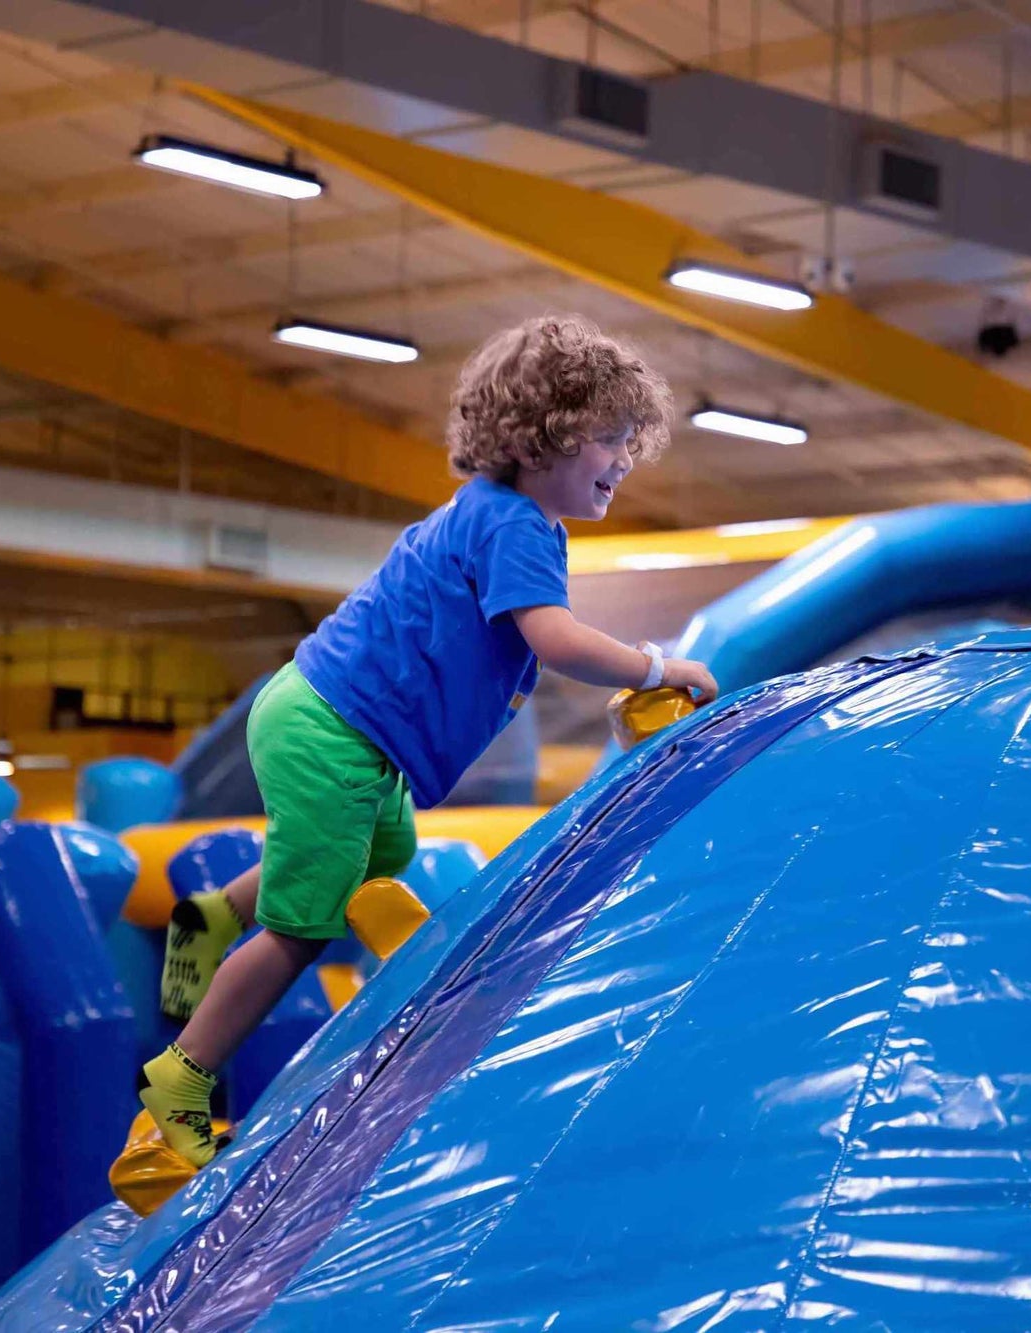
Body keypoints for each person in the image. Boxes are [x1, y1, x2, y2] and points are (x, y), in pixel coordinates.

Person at [136, 315, 720, 1166]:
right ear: (541, 438)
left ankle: (212, 914)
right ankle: (183, 1073)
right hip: (332, 730)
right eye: (607, 438)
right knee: (306, 927)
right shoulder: (515, 524)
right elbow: (555, 641)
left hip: (331, 720)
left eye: (631, 439)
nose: (624, 459)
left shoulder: (497, 517)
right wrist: (655, 665)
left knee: (382, 849)